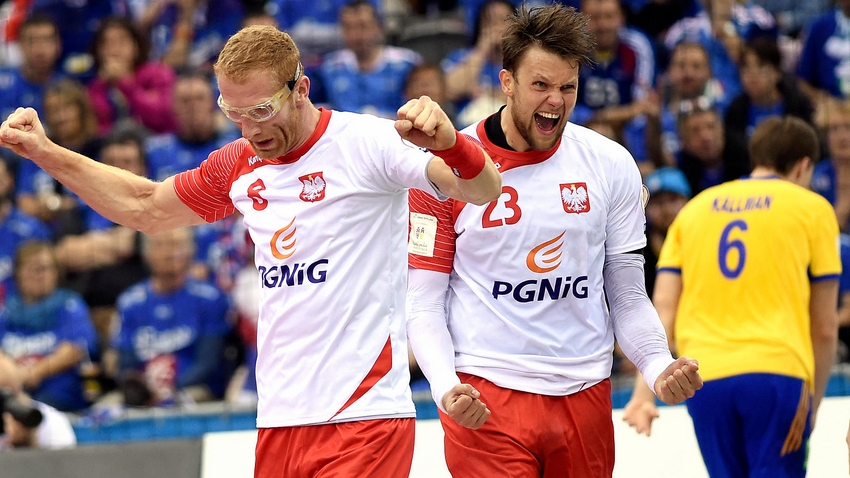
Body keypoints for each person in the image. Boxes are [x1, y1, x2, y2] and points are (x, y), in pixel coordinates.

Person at [0, 24, 500, 477]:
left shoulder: (367, 142)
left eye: (261, 110)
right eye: (234, 113)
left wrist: (450, 144)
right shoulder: (239, 162)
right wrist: (46, 152)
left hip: (364, 418)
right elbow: (145, 207)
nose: (251, 130)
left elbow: (481, 189)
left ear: (301, 89)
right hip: (279, 421)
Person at [405, 5, 702, 477]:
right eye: (540, 85)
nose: (555, 102)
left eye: (568, 87)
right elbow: (423, 301)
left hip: (584, 392)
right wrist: (445, 387)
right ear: (507, 82)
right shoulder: (443, 168)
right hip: (485, 394)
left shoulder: (611, 164)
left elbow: (627, 294)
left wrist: (656, 365)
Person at [623, 116, 839, 477]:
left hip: (705, 378)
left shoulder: (694, 210)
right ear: (804, 166)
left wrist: (643, 394)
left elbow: (663, 308)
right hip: (777, 372)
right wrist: (812, 405)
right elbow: (825, 327)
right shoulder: (812, 208)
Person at [110, 227, 231, 406]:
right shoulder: (129, 302)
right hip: (143, 395)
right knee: (106, 408)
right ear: (146, 254)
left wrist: (168, 392)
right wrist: (142, 391)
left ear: (192, 251)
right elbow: (126, 364)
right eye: (160, 245)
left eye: (176, 245)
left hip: (194, 391)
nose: (169, 253)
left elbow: (208, 362)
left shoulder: (210, 298)